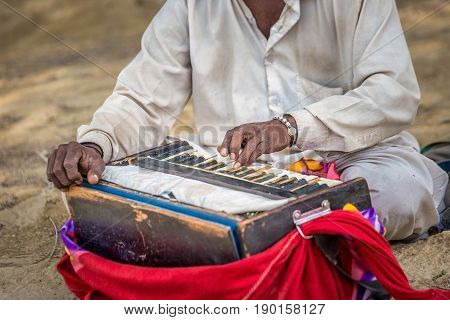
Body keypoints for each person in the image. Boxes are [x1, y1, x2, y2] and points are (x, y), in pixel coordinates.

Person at [47, 0, 448, 241]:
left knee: (393, 196)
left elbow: (393, 92)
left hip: (354, 154)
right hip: (240, 175)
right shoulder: (190, 6)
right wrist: (95, 145)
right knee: (168, 212)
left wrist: (291, 126)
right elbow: (142, 100)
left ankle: (439, 180)